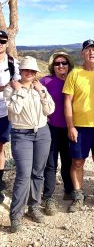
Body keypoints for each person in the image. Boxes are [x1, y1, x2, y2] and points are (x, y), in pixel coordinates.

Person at [4, 56, 55, 233]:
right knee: (23, 175)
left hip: (42, 132)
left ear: (35, 73)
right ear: (21, 71)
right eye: (26, 70)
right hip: (21, 134)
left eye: (32, 71)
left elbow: (50, 110)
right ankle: (16, 215)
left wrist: (41, 92)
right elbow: (15, 110)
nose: (29, 73)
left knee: (37, 173)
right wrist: (20, 91)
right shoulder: (11, 89)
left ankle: (34, 206)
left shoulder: (39, 88)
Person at [63, 39, 94, 213]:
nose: (91, 53)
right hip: (79, 126)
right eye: (87, 50)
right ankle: (77, 196)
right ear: (82, 53)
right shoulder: (74, 74)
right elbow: (67, 102)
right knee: (77, 162)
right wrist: (70, 126)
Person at [40, 52, 75, 216]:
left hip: (70, 127)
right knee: (51, 163)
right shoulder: (45, 82)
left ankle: (69, 190)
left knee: (68, 161)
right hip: (51, 128)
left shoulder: (74, 80)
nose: (61, 66)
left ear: (69, 65)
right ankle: (48, 197)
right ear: (52, 67)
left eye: (64, 63)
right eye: (57, 64)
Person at [0, 30, 20, 203]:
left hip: (5, 112)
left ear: (7, 43)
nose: (0, 43)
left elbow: (17, 82)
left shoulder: (12, 62)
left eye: (2, 40)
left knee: (0, 148)